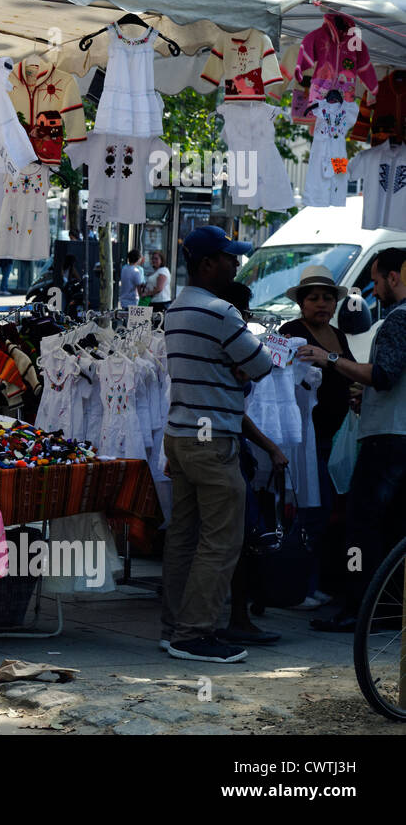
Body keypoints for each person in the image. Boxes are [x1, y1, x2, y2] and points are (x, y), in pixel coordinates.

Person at [161, 226, 273, 663]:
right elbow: (261, 365)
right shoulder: (222, 312)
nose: (236, 264)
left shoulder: (175, 309)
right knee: (220, 540)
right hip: (213, 441)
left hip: (181, 435)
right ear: (208, 264)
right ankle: (194, 634)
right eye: (230, 257)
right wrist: (238, 370)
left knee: (183, 538)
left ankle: (174, 628)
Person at [297, 248, 406, 632]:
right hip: (394, 435)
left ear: (394, 277)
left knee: (361, 528)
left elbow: (384, 374)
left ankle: (359, 605)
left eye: (376, 281)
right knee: (390, 528)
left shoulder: (397, 319)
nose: (374, 291)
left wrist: (329, 359)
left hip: (387, 439)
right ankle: (387, 608)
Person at [278, 264, 356, 611]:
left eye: (327, 297)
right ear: (302, 303)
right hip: (306, 436)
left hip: (338, 435)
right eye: (314, 298)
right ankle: (295, 587)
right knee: (311, 511)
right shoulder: (290, 331)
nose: (322, 304)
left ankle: (310, 583)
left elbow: (346, 371)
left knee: (325, 513)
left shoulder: (338, 336)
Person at [219, 281, 284, 646]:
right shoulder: (233, 341)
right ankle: (237, 618)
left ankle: (194, 621)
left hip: (202, 441)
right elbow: (255, 375)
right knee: (238, 536)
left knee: (210, 536)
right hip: (225, 445)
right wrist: (271, 446)